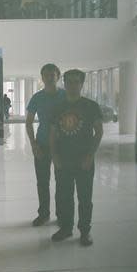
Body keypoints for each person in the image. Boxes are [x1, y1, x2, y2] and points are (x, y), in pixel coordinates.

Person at [50, 69, 103, 246]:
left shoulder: (91, 106)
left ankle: (85, 231)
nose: (73, 85)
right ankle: (66, 228)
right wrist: (55, 157)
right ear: (64, 84)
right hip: (63, 160)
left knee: (85, 197)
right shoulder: (57, 107)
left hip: (84, 160)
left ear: (82, 84)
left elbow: (99, 132)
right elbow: (52, 135)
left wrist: (90, 155)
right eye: (69, 82)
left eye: (76, 81)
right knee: (64, 196)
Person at [26, 64, 66, 227]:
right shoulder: (37, 97)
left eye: (52, 75)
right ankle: (43, 214)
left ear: (58, 76)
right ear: (42, 78)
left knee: (62, 181)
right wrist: (33, 144)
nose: (50, 78)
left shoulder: (65, 96)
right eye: (46, 75)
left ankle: (62, 215)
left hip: (62, 145)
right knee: (42, 181)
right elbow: (28, 123)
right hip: (42, 144)